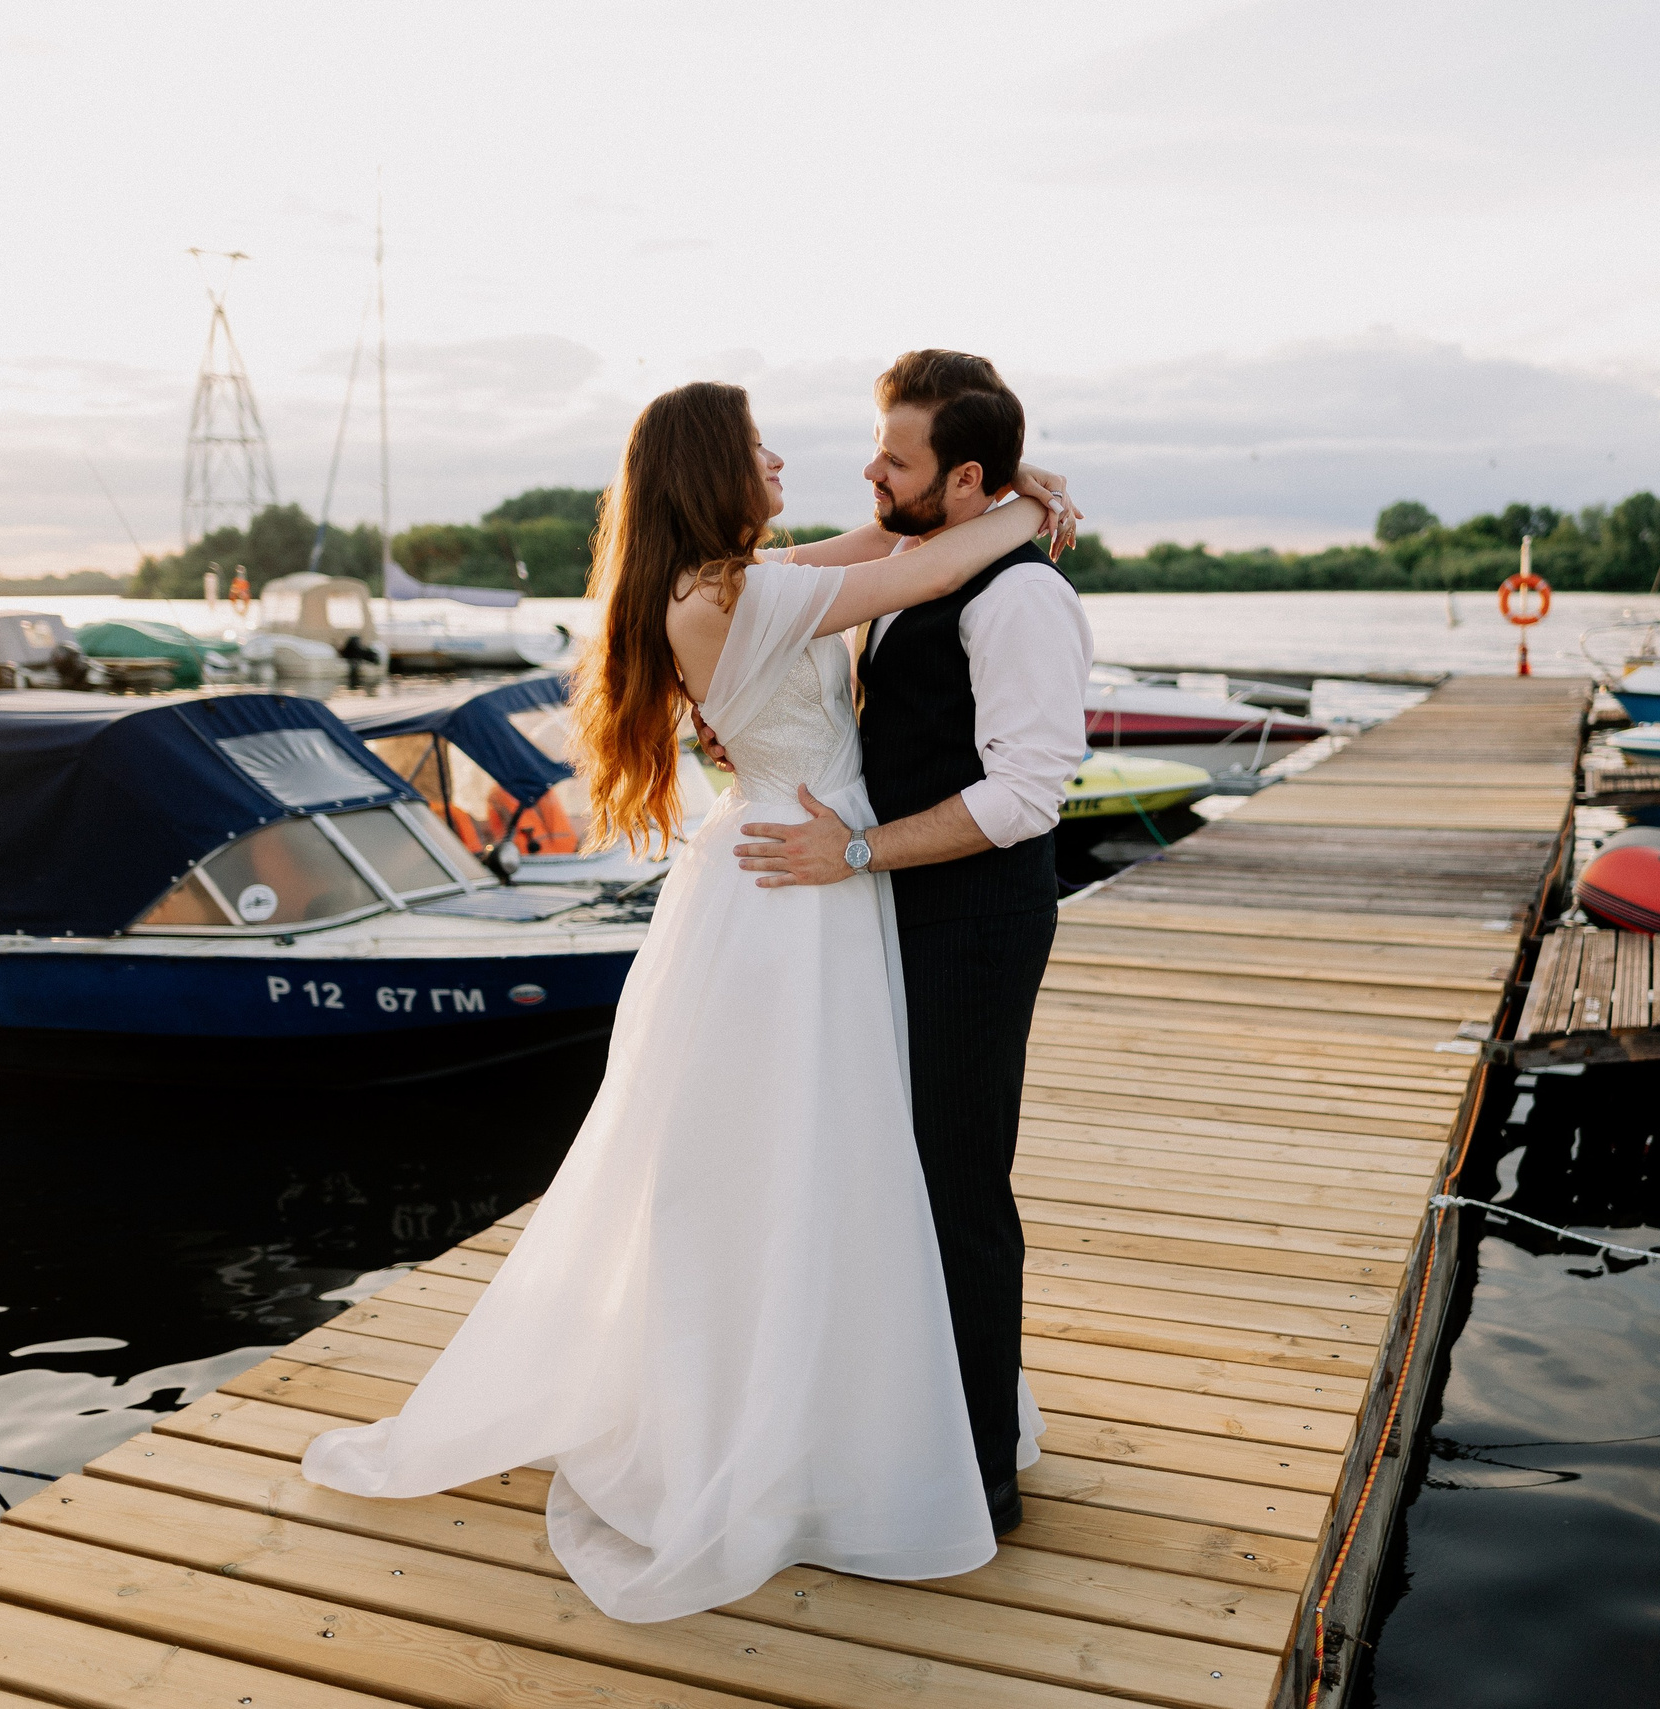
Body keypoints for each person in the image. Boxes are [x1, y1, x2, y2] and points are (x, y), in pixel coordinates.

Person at [301, 379, 1071, 1622]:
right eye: (758, 446)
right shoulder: (736, 596)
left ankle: (834, 1403)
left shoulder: (724, 581)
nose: (783, 461)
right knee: (805, 1158)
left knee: (807, 1157)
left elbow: (891, 545)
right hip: (797, 885)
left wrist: (1010, 495)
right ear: (713, 466)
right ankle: (793, 1424)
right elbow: (923, 569)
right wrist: (1031, 504)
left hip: (783, 867)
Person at [724, 351, 1094, 1536]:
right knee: (893, 1177)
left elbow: (1026, 795)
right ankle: (907, 1433)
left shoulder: (1021, 597)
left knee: (958, 1183)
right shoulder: (912, 556)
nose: (870, 472)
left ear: (964, 477)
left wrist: (857, 851)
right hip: (889, 908)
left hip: (973, 921)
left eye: (895, 458)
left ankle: (978, 1472)